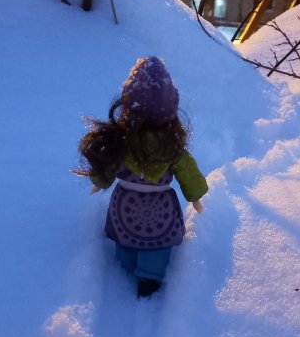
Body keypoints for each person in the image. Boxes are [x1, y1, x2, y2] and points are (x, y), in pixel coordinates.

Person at [76, 56, 208, 297]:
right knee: (158, 245)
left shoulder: (121, 145)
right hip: (160, 207)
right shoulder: (173, 149)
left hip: (125, 203)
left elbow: (107, 168)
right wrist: (195, 196)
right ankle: (150, 276)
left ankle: (127, 264)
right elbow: (189, 174)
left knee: (125, 237)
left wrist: (99, 181)